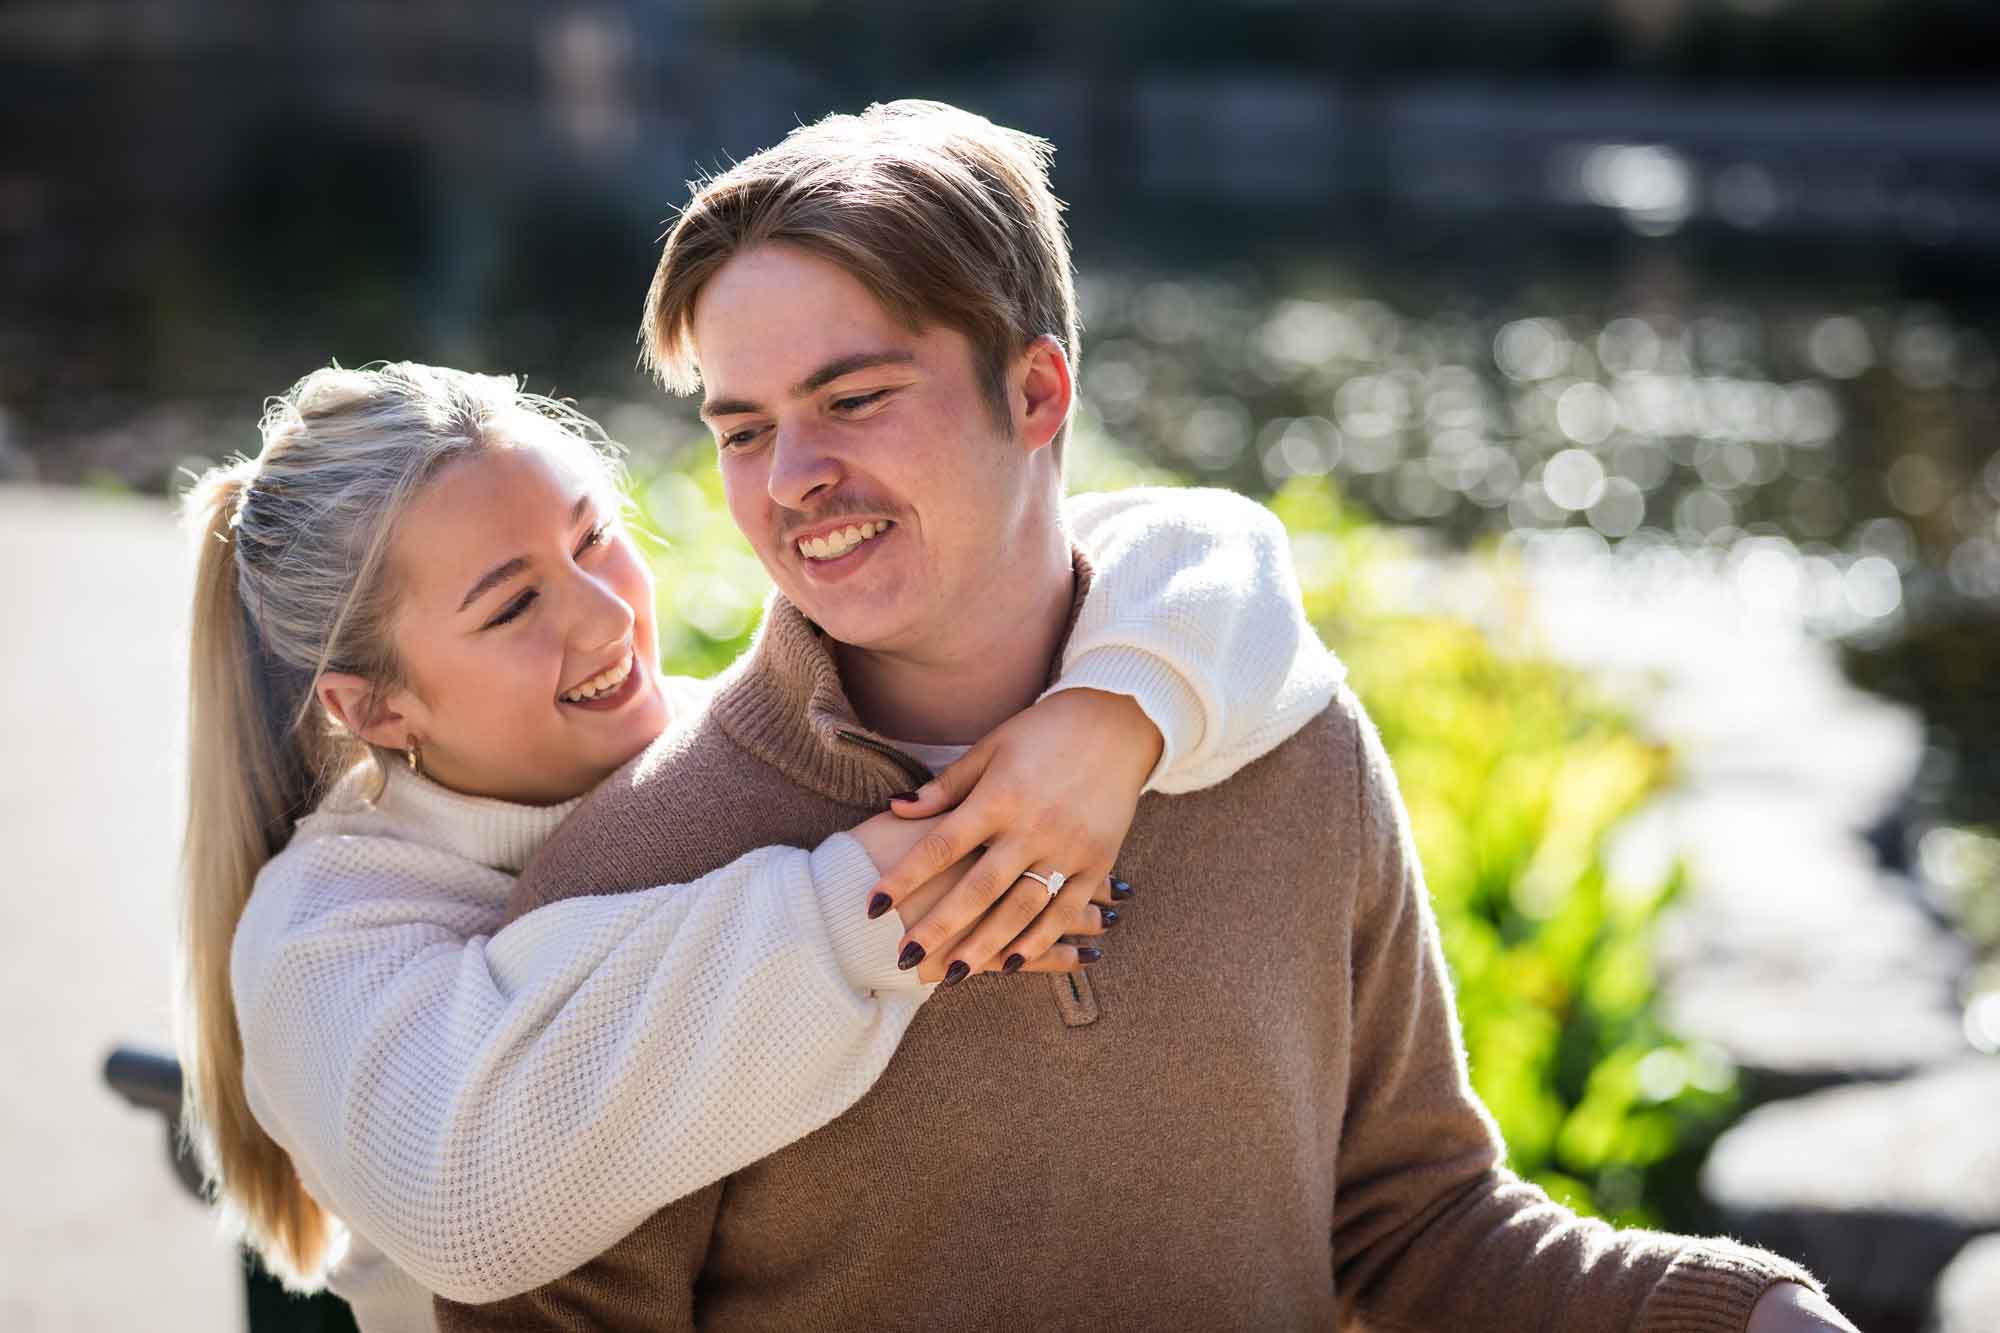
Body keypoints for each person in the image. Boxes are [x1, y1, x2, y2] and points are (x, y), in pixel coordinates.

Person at [440, 101, 1856, 1332]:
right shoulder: (631, 873)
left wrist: (1752, 1312)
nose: (791, 476)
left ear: (1038, 389)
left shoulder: (1288, 749)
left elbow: (1413, 1223)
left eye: (855, 397)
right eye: (743, 429)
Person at [184, 362, 1345, 1332]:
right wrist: (890, 901)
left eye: (594, 539)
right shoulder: (320, 933)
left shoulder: (721, 746)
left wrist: (1112, 716)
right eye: (509, 605)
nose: (600, 614)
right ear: (375, 711)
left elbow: (1201, 546)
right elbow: (473, 1206)